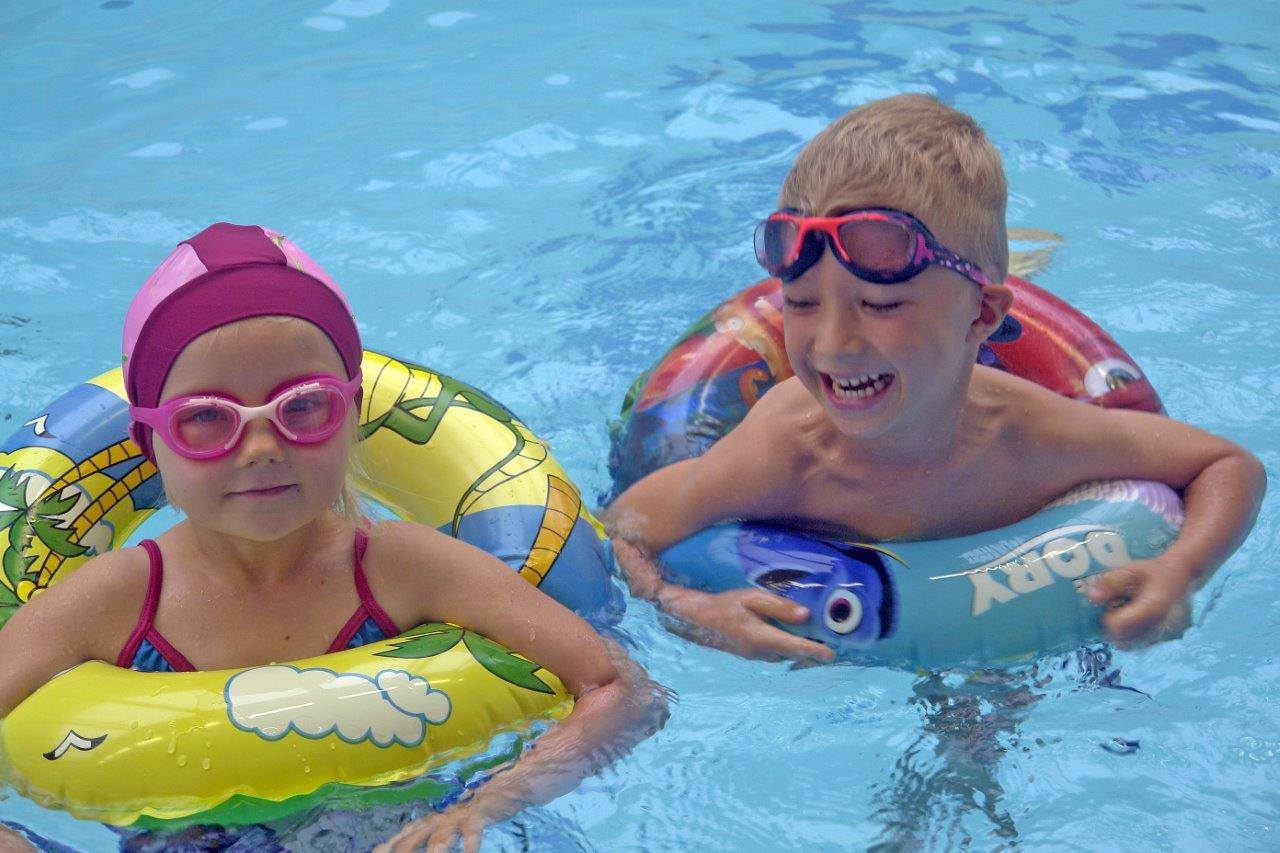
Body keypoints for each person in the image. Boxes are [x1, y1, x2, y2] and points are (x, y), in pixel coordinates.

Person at [0, 223, 666, 852]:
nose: (262, 447)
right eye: (206, 418)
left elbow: (617, 687)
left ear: (352, 416)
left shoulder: (405, 568)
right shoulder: (112, 601)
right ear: (149, 444)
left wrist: (484, 805)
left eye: (303, 406)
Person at [605, 94, 1266, 663]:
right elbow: (617, 532)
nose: (834, 344)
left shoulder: (1033, 435)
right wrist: (685, 606)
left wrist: (1180, 568)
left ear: (981, 315)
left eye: (881, 305)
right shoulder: (783, 450)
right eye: (801, 303)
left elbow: (1227, 464)